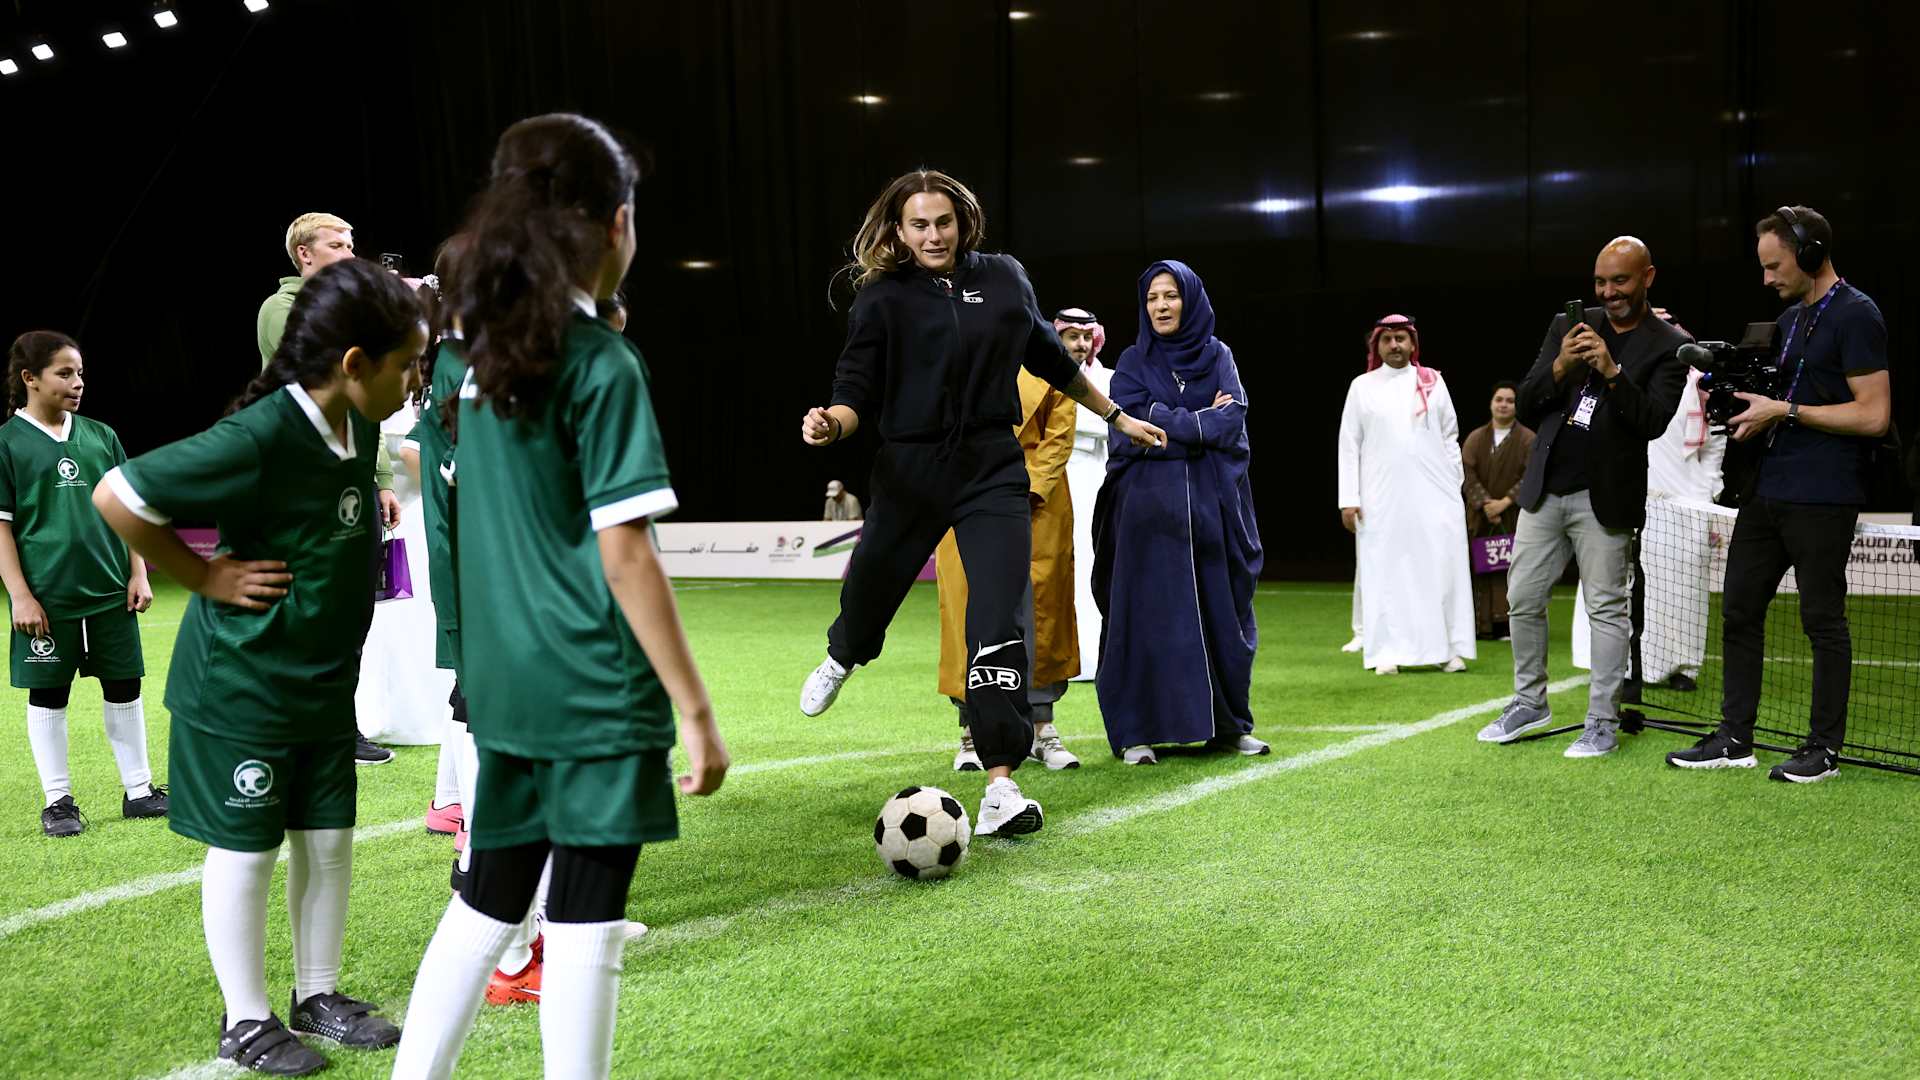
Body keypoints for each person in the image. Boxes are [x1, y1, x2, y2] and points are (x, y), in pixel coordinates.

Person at [390, 113, 729, 1080]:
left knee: (488, 897)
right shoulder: (598, 362)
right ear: (618, 225)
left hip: (504, 683)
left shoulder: (475, 362)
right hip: (593, 686)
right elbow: (625, 553)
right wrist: (696, 712)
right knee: (586, 916)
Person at [93, 258, 423, 1075]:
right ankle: (245, 1020)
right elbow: (117, 494)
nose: (415, 380)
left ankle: (318, 995)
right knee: (247, 849)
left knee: (328, 840)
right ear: (353, 365)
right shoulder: (264, 432)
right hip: (244, 684)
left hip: (319, 683)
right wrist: (202, 574)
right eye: (406, 364)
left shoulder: (364, 425)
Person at [796, 168, 1164, 834]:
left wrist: (1116, 416)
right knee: (871, 590)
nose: (933, 234)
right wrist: (833, 422)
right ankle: (843, 655)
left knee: (998, 623)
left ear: (964, 221)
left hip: (993, 469)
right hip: (910, 470)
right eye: (919, 224)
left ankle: (1001, 784)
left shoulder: (1004, 277)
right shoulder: (880, 299)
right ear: (899, 231)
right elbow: (855, 387)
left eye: (944, 221)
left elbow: (1051, 357)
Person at [1668, 206, 1890, 782]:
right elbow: (1782, 398)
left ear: (1811, 254)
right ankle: (1735, 738)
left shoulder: (1858, 315)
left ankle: (1823, 749)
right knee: (1739, 607)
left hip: (1825, 492)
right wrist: (1752, 412)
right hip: (1769, 487)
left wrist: (1785, 410)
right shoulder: (1791, 321)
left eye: (1774, 266)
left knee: (1822, 620)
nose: (1766, 279)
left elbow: (1874, 416)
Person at [397, 241, 550, 1009]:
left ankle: (535, 927)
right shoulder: (468, 366)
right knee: (513, 763)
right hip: (499, 604)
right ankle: (513, 948)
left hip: (506, 600)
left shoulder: (471, 361)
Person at [1477, 236, 1687, 757]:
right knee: (1522, 597)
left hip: (1607, 495)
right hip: (1546, 488)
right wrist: (1563, 364)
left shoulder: (1668, 344)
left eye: (1621, 280)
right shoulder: (1566, 326)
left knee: (1607, 610)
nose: (1609, 292)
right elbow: (1527, 402)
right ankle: (1529, 702)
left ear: (1648, 278)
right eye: (1601, 282)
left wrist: (1612, 374)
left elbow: (1653, 421)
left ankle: (1601, 721)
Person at [1094, 260, 1267, 764]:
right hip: (1148, 518)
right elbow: (1132, 423)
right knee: (1144, 617)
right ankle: (1136, 732)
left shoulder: (1219, 356)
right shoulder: (1130, 361)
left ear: (1189, 301)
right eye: (1152, 298)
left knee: (1223, 613)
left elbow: (1230, 422)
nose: (1161, 306)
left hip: (1213, 513)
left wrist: (1170, 424)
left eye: (1170, 296)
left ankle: (1230, 726)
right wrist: (1197, 422)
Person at [2, 331, 165, 837]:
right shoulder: (8, 443)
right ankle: (58, 801)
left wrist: (138, 571)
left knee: (125, 685)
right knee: (49, 694)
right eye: (64, 373)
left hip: (111, 591)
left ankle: (139, 791)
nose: (77, 383)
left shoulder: (101, 435)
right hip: (47, 598)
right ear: (30, 378)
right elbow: (2, 524)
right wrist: (21, 595)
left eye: (80, 373)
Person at [257, 211, 400, 766]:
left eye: (352, 243)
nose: (349, 252)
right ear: (305, 255)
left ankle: (340, 726)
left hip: (353, 480)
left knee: (353, 608)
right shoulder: (282, 308)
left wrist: (381, 477)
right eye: (336, 245)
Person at [937, 356, 1080, 772]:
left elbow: (1058, 434)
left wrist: (1028, 488)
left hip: (1036, 501)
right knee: (969, 610)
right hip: (967, 494)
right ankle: (970, 731)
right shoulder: (952, 355)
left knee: (1040, 616)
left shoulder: (1048, 360)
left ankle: (1042, 729)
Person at [1570, 356, 1724, 687]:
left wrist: (1705, 491)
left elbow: (1716, 440)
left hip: (1684, 502)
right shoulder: (1618, 375)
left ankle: (1682, 666)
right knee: (1620, 584)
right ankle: (1622, 666)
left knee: (1682, 588)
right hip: (1627, 492)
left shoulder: (1700, 386)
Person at [1337, 315, 1475, 675]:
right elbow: (1349, 445)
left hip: (1435, 493)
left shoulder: (1432, 382)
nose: (1395, 345)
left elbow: (1450, 436)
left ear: (1413, 344)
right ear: (1377, 346)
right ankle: (1386, 651)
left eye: (1401, 339)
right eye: (1388, 340)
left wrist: (1453, 484)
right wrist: (1348, 498)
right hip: (1380, 496)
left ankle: (1448, 649)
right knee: (1385, 569)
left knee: (1440, 565)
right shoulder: (1362, 386)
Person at [1057, 307, 1110, 683]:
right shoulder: (1038, 378)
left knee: (1097, 565)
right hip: (1054, 481)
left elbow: (1121, 425)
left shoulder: (1110, 379)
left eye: (1085, 336)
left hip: (1099, 479)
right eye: (1072, 337)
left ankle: (1097, 658)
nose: (1080, 344)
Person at [1461, 380, 1534, 640]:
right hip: (1480, 518)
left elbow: (1532, 476)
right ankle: (1481, 625)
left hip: (1513, 517)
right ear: (1491, 404)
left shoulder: (1528, 439)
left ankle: (1508, 625)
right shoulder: (1475, 438)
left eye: (1510, 401)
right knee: (1479, 569)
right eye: (1499, 400)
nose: (1503, 405)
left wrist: (1505, 502)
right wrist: (1485, 504)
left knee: (1511, 570)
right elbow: (1466, 474)